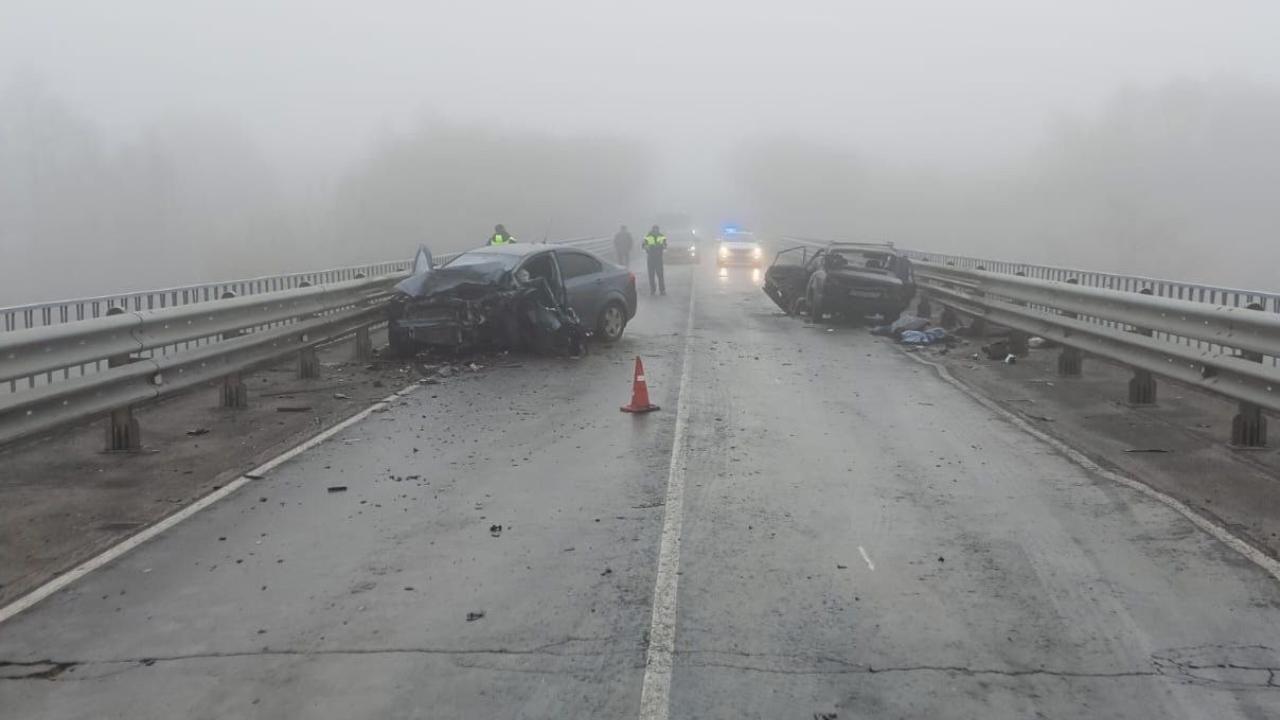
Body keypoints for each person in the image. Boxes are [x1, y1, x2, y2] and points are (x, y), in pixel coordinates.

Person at [643, 225, 667, 295]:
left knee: (660, 275)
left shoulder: (661, 236)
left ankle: (662, 290)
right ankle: (653, 289)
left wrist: (662, 247)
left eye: (657, 229)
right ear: (653, 230)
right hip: (651, 258)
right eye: (655, 229)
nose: (656, 230)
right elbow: (644, 245)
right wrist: (648, 248)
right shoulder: (648, 236)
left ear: (658, 229)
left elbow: (665, 245)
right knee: (651, 275)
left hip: (658, 258)